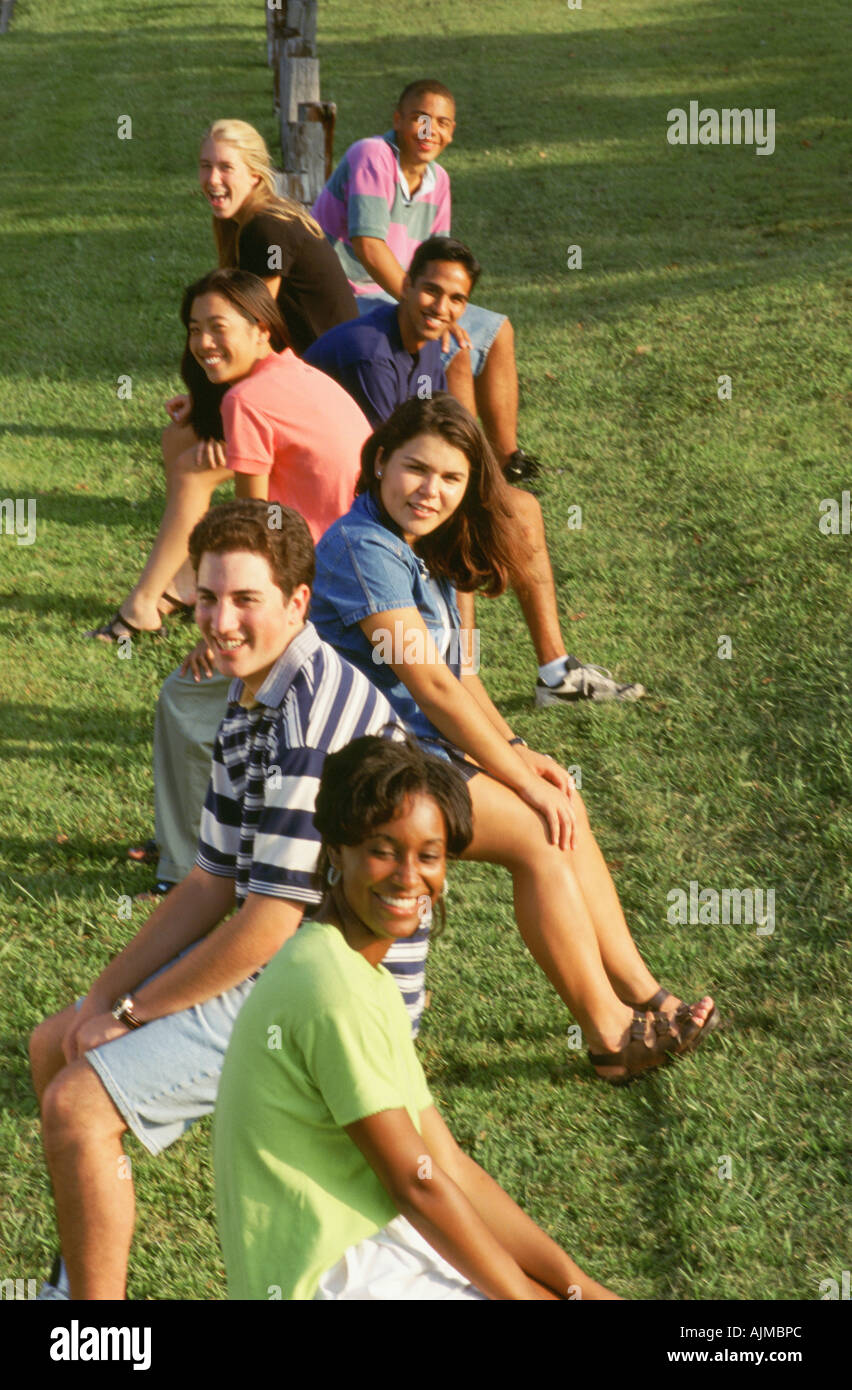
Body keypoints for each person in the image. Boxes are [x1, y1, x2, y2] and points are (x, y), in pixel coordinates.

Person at [31, 500, 409, 1300]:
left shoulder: (312, 713)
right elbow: (209, 883)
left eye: (245, 600)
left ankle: (88, 1329)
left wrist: (131, 1016)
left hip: (332, 991)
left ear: (297, 603)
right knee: (51, 1044)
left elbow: (268, 923)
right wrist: (101, 998)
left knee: (75, 1104)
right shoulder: (252, 695)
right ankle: (80, 1275)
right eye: (207, 598)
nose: (219, 620)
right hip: (286, 961)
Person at [310, 395, 720, 1085]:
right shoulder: (361, 548)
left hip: (422, 748)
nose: (430, 490)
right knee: (537, 834)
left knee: (562, 796)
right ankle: (609, 1039)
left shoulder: (424, 552)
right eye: (416, 469)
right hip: (375, 762)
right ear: (380, 461)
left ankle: (643, 995)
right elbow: (432, 687)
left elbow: (464, 678)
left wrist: (519, 750)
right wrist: (517, 779)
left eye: (450, 479)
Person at [215, 735, 620, 1301]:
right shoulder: (329, 982)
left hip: (380, 1255)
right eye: (383, 850)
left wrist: (578, 1287)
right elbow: (417, 1184)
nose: (409, 877)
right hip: (336, 1278)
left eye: (428, 855)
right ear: (336, 850)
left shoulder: (361, 976)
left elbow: (446, 1163)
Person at [305, 234, 645, 705]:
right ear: (404, 285)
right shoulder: (371, 352)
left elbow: (447, 437)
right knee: (471, 519)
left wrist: (458, 364)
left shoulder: (427, 342)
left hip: (377, 479)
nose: (441, 306)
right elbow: (387, 457)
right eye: (431, 290)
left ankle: (538, 673)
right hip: (331, 495)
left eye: (457, 299)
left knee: (512, 508)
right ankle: (469, 676)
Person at [87, 269, 369, 642]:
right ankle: (180, 579)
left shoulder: (247, 399)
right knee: (180, 441)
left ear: (261, 329)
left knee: (194, 472)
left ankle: (144, 605)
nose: (204, 342)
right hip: (360, 543)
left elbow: (253, 521)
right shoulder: (290, 369)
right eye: (194, 329)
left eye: (218, 328)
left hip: (323, 567)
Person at [312, 78, 539, 484]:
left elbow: (438, 260)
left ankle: (507, 460)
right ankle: (466, 466)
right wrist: (430, 309)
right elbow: (368, 246)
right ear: (398, 120)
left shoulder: (440, 181)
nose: (429, 130)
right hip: (346, 295)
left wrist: (442, 306)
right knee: (451, 346)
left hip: (405, 294)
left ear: (452, 133)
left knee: (497, 331)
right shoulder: (372, 155)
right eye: (420, 118)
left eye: (442, 122)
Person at [197, 117, 357, 356]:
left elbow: (256, 322)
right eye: (206, 165)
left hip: (331, 372)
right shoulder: (250, 220)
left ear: (255, 175)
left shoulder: (268, 228)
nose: (212, 179)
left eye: (226, 167)